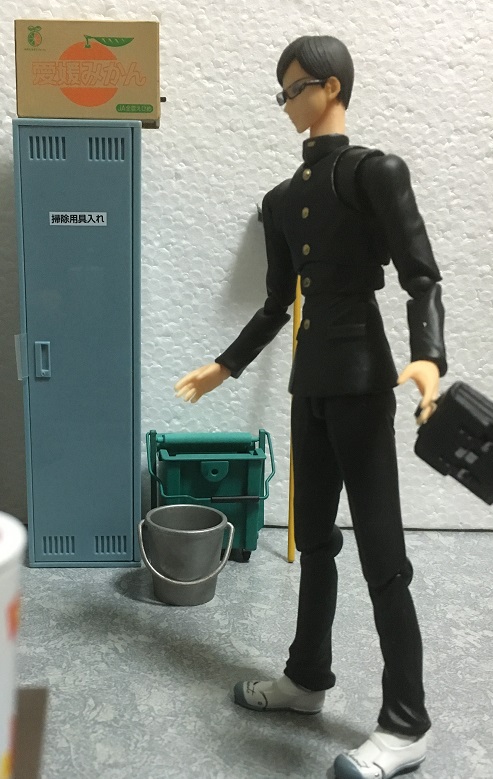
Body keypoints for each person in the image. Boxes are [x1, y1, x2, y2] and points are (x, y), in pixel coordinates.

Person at [175, 34, 446, 779]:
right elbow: (275, 303)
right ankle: (306, 677)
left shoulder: (372, 172)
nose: (287, 103)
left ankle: (407, 721)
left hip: (362, 380)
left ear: (330, 87)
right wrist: (224, 366)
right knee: (315, 539)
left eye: (294, 88)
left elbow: (421, 276)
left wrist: (428, 356)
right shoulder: (280, 199)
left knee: (383, 554)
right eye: (282, 91)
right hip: (310, 384)